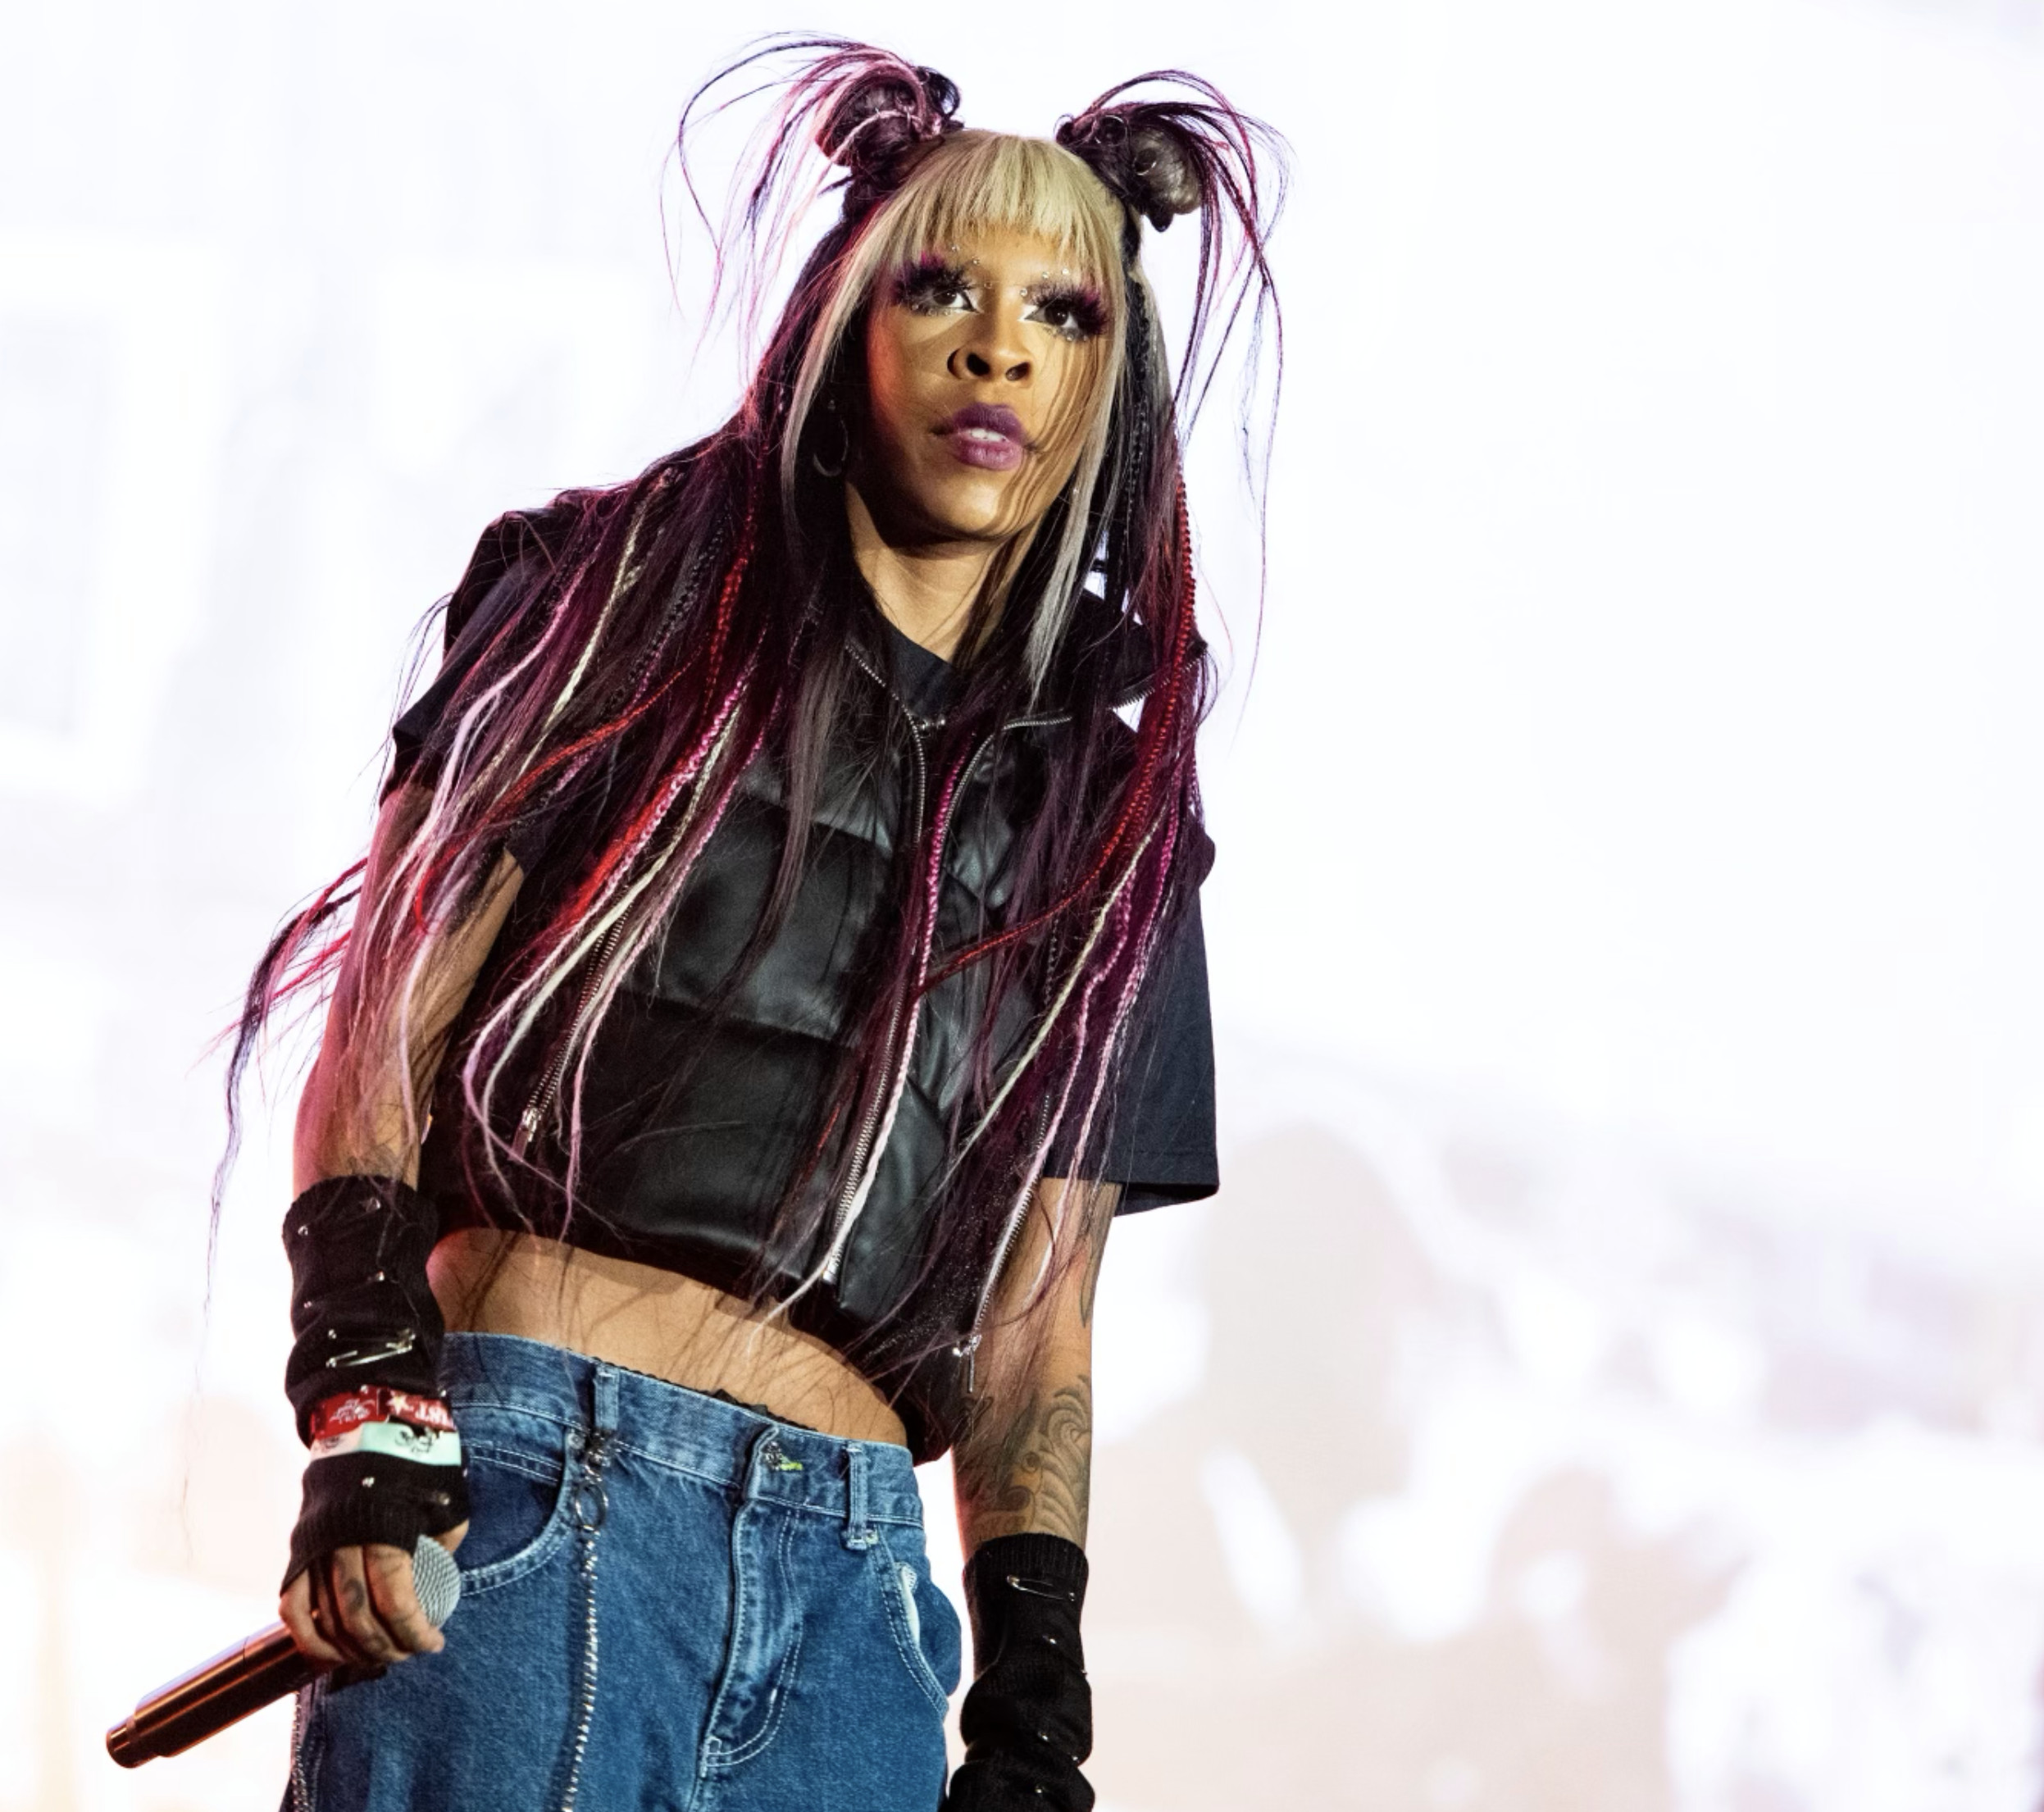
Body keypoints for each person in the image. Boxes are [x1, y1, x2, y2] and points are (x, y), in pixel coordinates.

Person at [225, 41, 1280, 1812]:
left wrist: (1033, 1710)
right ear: (848, 319)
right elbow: (382, 1032)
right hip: (539, 1501)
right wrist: (367, 1405)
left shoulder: (1112, 825)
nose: (999, 350)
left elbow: (1040, 1326)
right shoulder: (615, 596)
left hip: (859, 1606)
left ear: (1114, 378)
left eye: (1064, 312)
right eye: (940, 289)